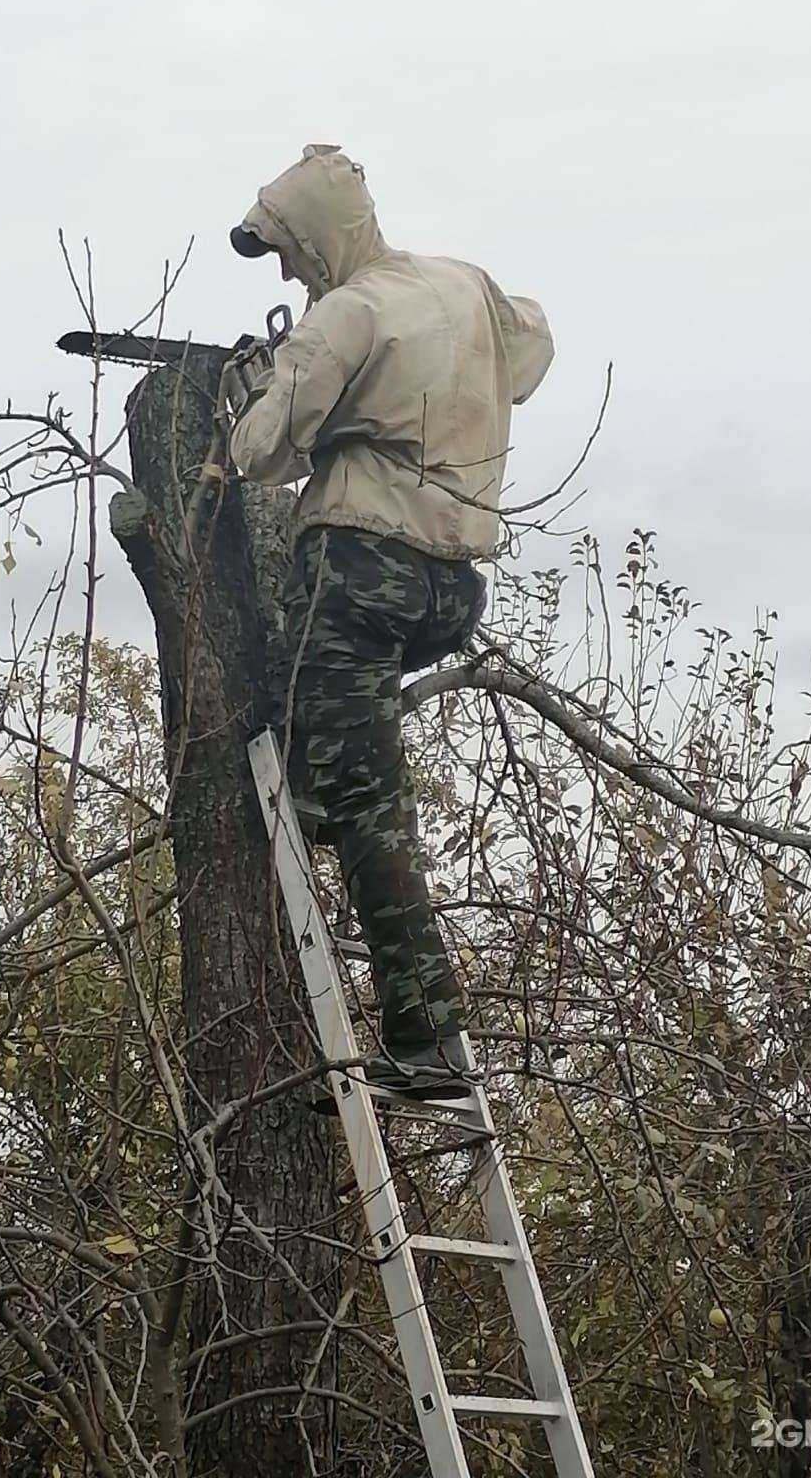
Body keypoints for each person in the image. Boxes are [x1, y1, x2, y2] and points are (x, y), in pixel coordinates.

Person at [228, 144, 554, 1099]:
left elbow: (258, 452)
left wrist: (265, 388)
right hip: (448, 588)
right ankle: (321, 776)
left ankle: (425, 1033)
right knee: (333, 752)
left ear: (317, 237)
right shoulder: (465, 286)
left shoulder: (348, 312)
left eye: (288, 251)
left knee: (372, 808)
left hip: (360, 575)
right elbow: (532, 348)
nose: (290, 271)